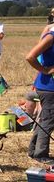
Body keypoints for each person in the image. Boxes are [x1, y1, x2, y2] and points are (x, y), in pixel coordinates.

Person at [26, 27, 54, 164]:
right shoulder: (51, 36)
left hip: (47, 87)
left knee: (45, 120)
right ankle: (41, 154)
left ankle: (33, 150)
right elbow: (30, 57)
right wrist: (45, 70)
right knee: (48, 121)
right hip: (49, 87)